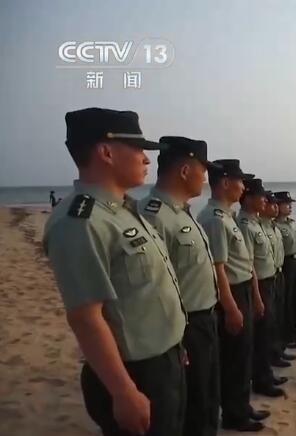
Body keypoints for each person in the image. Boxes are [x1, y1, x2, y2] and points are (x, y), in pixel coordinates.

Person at [43, 107, 186, 435]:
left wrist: (173, 343)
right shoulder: (80, 222)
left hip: (164, 361)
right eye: (138, 149)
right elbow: (85, 318)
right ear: (106, 152)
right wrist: (123, 392)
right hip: (134, 374)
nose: (146, 159)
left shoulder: (122, 210)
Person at [139, 136, 222, 436]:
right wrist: (175, 338)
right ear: (185, 170)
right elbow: (152, 288)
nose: (206, 178)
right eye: (203, 170)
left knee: (207, 394)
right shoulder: (153, 215)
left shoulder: (181, 212)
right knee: (192, 404)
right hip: (184, 325)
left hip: (205, 318)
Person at [196, 159, 268, 432]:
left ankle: (241, 406)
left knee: (243, 353)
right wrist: (230, 307)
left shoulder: (226, 217)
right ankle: (235, 415)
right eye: (240, 182)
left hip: (242, 289)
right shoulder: (214, 219)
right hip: (232, 293)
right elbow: (218, 269)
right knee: (234, 358)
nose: (243, 187)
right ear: (225, 183)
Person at [236, 179, 286, 397]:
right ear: (248, 199)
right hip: (258, 284)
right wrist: (256, 295)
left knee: (267, 331)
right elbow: (249, 264)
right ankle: (261, 379)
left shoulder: (255, 224)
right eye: (261, 197)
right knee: (260, 335)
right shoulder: (245, 225)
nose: (265, 201)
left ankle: (266, 374)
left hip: (269, 280)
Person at [261, 193, 296, 364]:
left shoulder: (275, 226)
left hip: (279, 270)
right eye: (273, 204)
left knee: (280, 311)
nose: (275, 208)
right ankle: (273, 353)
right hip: (267, 276)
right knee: (270, 317)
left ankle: (280, 347)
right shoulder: (261, 226)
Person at [273, 191, 296, 349]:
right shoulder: (275, 226)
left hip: (294, 261)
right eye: (286, 204)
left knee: (294, 298)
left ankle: (293, 334)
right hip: (285, 263)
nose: (290, 206)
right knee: (285, 300)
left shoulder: (291, 223)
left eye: (290, 204)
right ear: (277, 205)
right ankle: (285, 336)